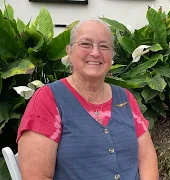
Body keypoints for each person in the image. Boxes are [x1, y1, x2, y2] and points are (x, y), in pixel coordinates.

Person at [16, 18, 159, 180]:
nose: (95, 53)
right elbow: (37, 176)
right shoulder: (48, 99)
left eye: (104, 46)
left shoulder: (124, 97)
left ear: (111, 56)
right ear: (69, 51)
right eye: (86, 44)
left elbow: (146, 157)